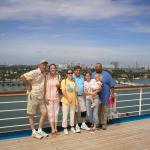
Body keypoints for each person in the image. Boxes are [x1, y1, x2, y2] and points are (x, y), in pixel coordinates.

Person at [20, 60, 49, 139]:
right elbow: (22, 77)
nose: (44, 66)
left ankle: (39, 130)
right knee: (31, 114)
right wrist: (29, 85)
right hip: (33, 95)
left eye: (46, 65)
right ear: (39, 65)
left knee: (44, 112)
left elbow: (44, 85)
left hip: (41, 96)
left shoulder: (44, 74)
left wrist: (45, 95)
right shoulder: (35, 72)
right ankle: (33, 131)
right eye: (43, 64)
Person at [91, 63, 115, 130]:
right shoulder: (92, 74)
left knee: (104, 110)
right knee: (96, 111)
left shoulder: (107, 74)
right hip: (96, 97)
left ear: (101, 67)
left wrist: (112, 94)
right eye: (96, 67)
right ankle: (97, 123)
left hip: (105, 96)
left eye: (99, 67)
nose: (98, 68)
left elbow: (112, 85)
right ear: (95, 68)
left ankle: (104, 123)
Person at [45, 64, 61, 136]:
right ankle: (52, 129)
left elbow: (60, 88)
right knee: (50, 114)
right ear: (49, 69)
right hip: (49, 98)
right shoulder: (46, 77)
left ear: (55, 69)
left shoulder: (58, 76)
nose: (53, 69)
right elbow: (44, 88)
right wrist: (45, 97)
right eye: (51, 68)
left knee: (56, 114)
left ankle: (56, 128)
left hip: (57, 97)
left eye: (54, 68)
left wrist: (59, 86)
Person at [73, 66, 90, 133]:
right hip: (74, 97)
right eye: (76, 70)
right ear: (74, 71)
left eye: (79, 70)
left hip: (81, 96)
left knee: (84, 110)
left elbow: (87, 83)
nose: (78, 71)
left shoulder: (82, 77)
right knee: (75, 111)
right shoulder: (72, 77)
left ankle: (83, 124)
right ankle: (76, 125)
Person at [61, 69, 77, 135]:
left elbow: (75, 92)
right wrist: (68, 98)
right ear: (66, 74)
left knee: (72, 114)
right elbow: (63, 91)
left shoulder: (73, 82)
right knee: (65, 115)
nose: (70, 74)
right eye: (69, 73)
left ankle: (72, 126)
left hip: (73, 101)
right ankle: (65, 128)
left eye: (71, 73)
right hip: (65, 101)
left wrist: (76, 101)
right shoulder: (64, 81)